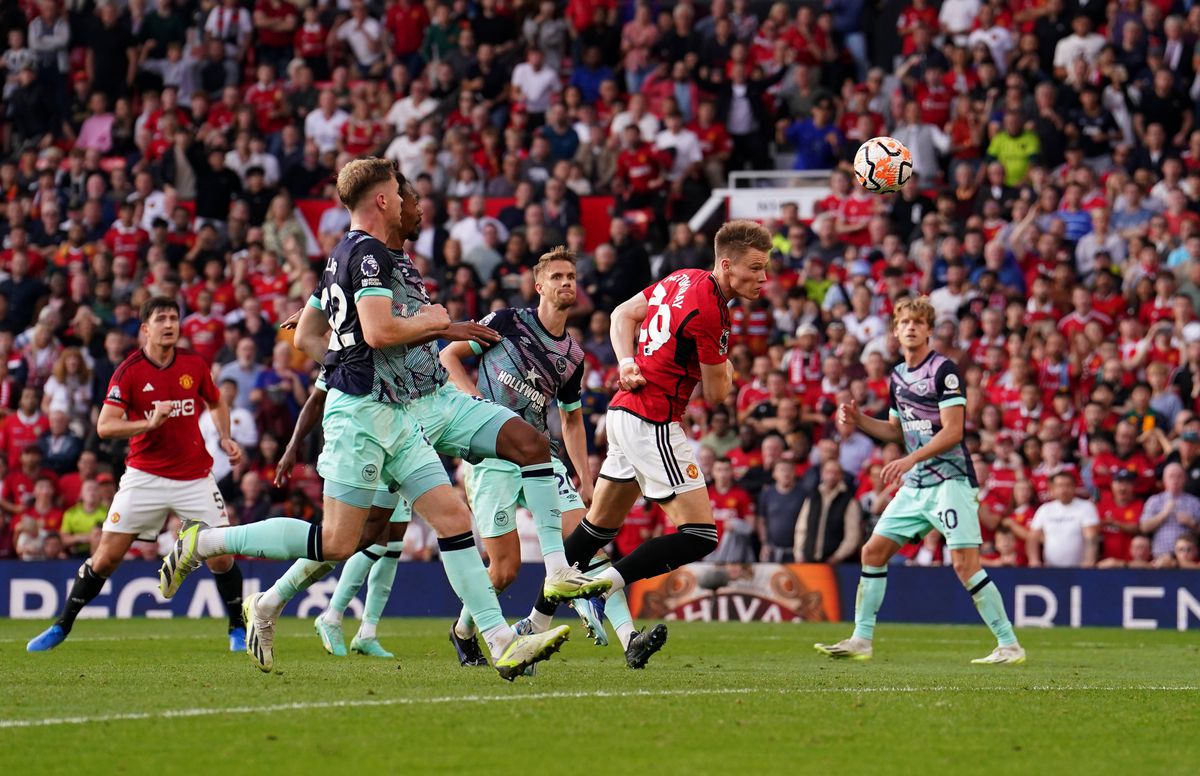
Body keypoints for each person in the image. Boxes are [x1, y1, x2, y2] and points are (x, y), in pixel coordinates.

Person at [160, 159, 572, 681]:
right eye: (398, 197)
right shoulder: (370, 253)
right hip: (360, 416)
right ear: (381, 200)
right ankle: (206, 542)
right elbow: (379, 332)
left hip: (393, 412)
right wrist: (433, 323)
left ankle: (500, 641)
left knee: (452, 519)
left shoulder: (340, 254)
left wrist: (347, 356)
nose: (404, 203)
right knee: (337, 541)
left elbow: (309, 337)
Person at [531, 220, 773, 666]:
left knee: (594, 530)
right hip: (654, 420)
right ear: (726, 264)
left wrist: (626, 361)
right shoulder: (712, 309)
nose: (764, 278)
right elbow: (719, 394)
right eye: (755, 268)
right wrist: (730, 369)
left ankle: (534, 624)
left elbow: (622, 313)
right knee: (700, 535)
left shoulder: (682, 277)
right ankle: (606, 585)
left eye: (765, 268)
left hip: (624, 411)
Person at [436, 246, 641, 663]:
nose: (567, 282)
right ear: (539, 286)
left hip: (541, 459)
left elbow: (570, 420)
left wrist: (584, 476)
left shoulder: (573, 357)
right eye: (558, 277)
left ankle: (630, 640)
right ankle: (463, 630)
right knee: (505, 570)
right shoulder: (507, 321)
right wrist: (477, 403)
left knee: (589, 548)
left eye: (572, 277)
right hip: (489, 455)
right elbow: (448, 356)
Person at [28, 297, 248, 653]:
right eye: (161, 318)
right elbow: (104, 426)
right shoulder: (129, 371)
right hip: (144, 475)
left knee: (221, 555)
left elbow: (216, 400)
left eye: (174, 318)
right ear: (145, 328)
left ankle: (237, 628)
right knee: (105, 558)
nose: (169, 324)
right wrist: (149, 423)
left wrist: (224, 436)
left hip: (194, 476)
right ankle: (61, 626)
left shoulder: (194, 363)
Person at [817, 296, 1024, 664]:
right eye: (904, 323)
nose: (911, 327)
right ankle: (861, 640)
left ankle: (1009, 645)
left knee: (965, 564)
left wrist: (909, 459)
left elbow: (954, 431)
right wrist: (860, 420)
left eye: (918, 322)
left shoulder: (944, 370)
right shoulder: (897, 376)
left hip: (950, 480)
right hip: (917, 483)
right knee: (873, 551)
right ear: (895, 332)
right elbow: (897, 430)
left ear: (928, 330)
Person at [1028, 472, 1100, 567]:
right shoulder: (1045, 509)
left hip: (1079, 568)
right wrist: (1034, 560)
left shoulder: (1086, 507)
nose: (1064, 489)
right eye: (1059, 486)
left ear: (1074, 487)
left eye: (1068, 485)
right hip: (1050, 568)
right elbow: (1033, 538)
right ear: (1053, 489)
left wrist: (1089, 561)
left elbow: (1091, 537)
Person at [1140, 463, 1200, 563]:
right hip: (1161, 557)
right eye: (1171, 476)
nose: (1175, 480)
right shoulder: (1154, 500)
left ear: (1185, 479)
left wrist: (1192, 523)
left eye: (1179, 476)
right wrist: (1163, 514)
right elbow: (1143, 527)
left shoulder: (1194, 502)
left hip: (1187, 559)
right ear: (1164, 479)